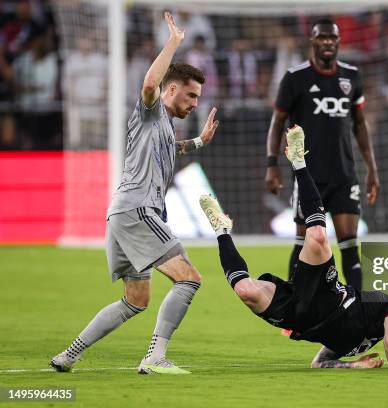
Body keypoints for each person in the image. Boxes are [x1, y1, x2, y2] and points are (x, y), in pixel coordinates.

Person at [50, 12, 220, 375]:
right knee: (189, 278)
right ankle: (155, 357)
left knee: (135, 300)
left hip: (121, 213)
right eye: (190, 95)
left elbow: (169, 148)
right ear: (171, 90)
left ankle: (69, 354)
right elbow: (148, 83)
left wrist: (198, 142)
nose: (194, 103)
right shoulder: (151, 109)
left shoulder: (161, 127)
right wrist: (173, 43)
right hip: (140, 211)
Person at [206, 125, 388, 368]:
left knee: (245, 291)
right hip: (328, 296)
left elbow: (319, 363)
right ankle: (298, 161)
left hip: (299, 315)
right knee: (319, 236)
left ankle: (221, 230)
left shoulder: (366, 338)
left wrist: (353, 365)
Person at [265, 19, 380, 291]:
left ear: (339, 42)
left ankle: (358, 312)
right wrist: (272, 164)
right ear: (313, 42)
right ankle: (292, 310)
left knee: (350, 244)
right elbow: (277, 122)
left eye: (332, 38)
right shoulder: (295, 78)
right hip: (309, 177)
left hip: (344, 175)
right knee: (306, 242)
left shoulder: (351, 76)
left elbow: (360, 124)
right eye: (322, 38)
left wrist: (372, 169)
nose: (328, 42)